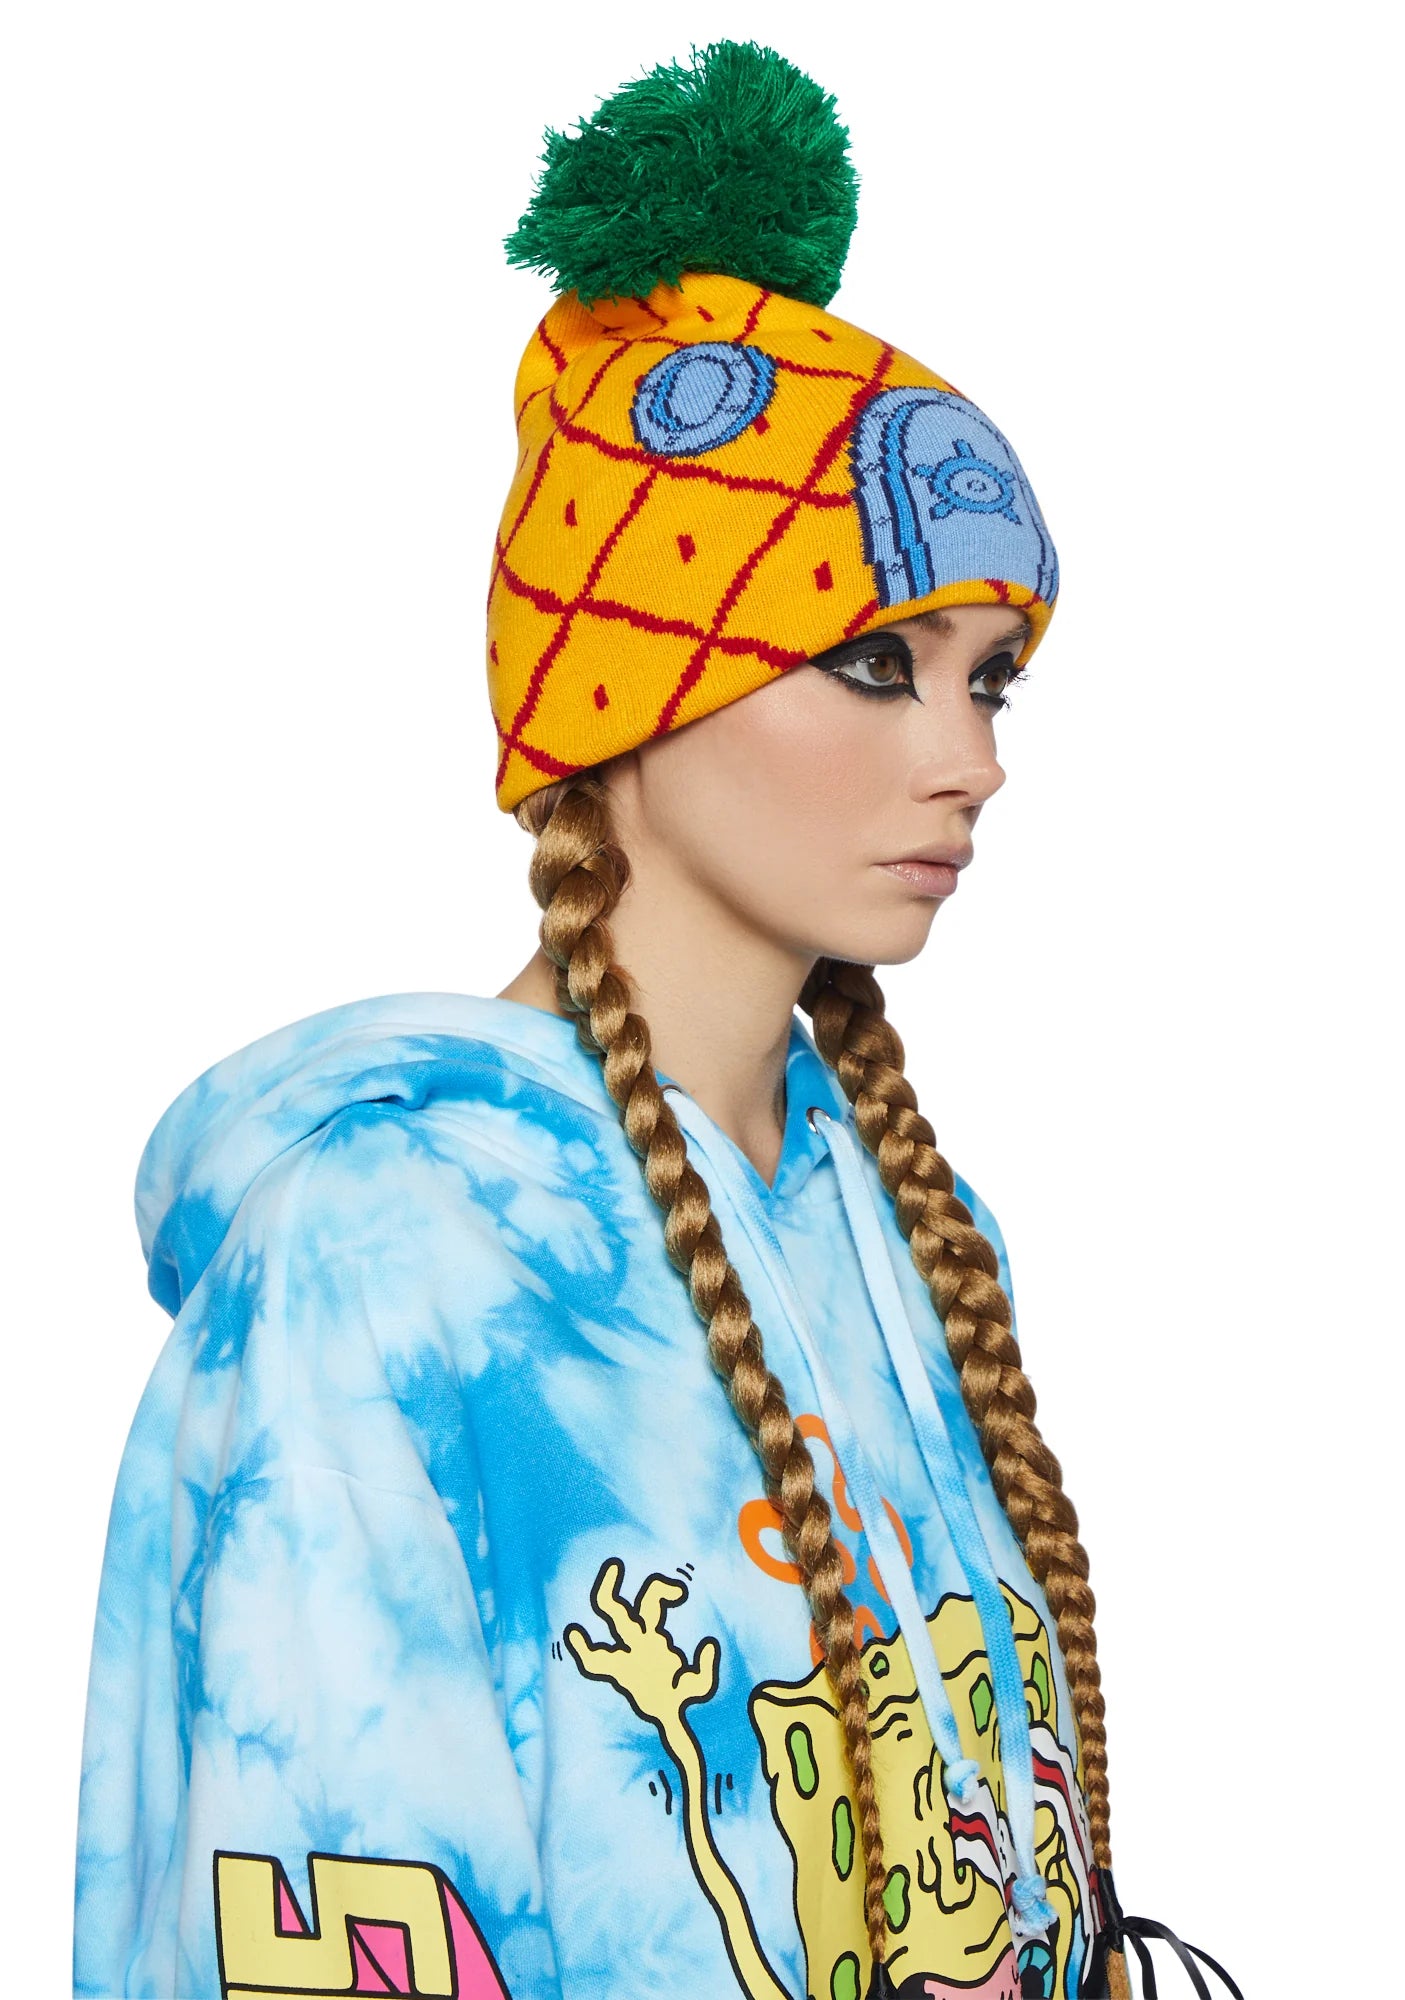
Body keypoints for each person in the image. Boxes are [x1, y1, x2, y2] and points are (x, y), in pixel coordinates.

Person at [72, 41, 1239, 2000]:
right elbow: (331, 1916)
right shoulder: (381, 1261)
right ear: (630, 685)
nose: (970, 761)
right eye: (875, 662)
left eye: (989, 680)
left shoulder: (911, 1227)